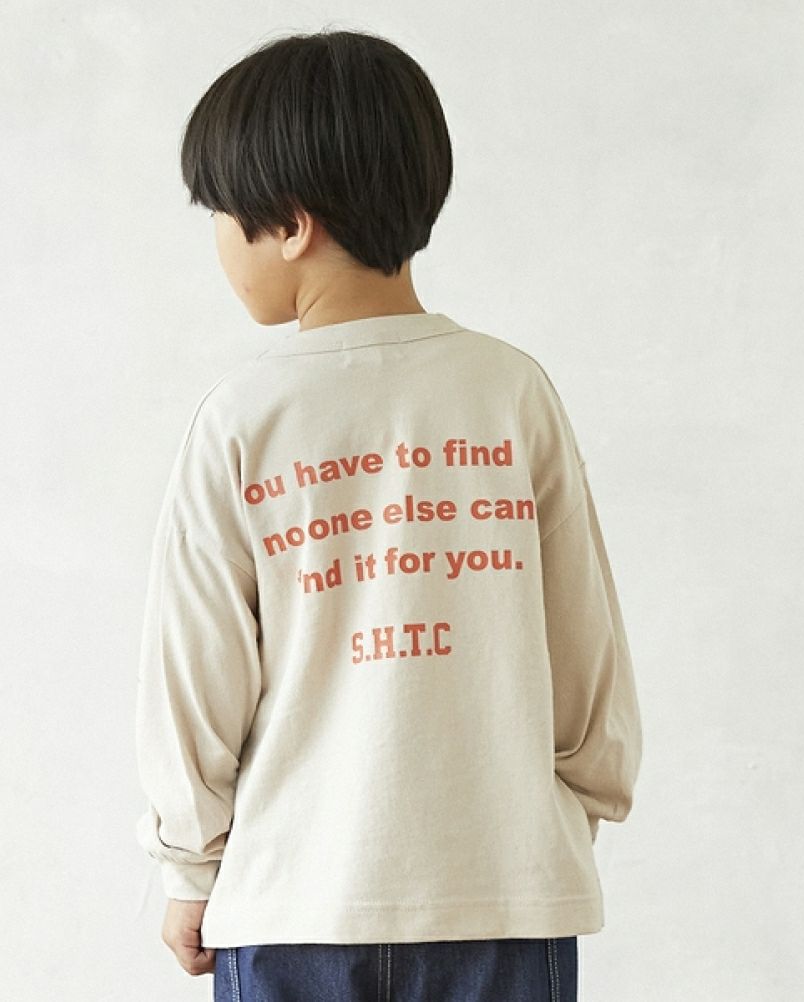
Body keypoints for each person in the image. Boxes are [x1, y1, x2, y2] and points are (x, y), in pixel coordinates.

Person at [135, 26, 642, 1002]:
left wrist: (189, 865)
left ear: (292, 224)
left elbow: (195, 675)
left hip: (292, 907)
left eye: (223, 214)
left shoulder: (242, 418)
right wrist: (560, 816)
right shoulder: (510, 391)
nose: (219, 243)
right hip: (501, 899)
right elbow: (587, 651)